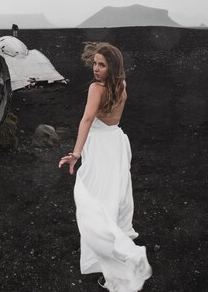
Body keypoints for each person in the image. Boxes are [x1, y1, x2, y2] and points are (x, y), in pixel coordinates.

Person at [59, 42, 152, 291]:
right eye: (95, 64)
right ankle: (115, 251)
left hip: (100, 145)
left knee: (97, 200)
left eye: (102, 64)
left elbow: (87, 119)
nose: (96, 69)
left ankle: (109, 265)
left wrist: (75, 154)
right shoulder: (121, 84)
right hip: (117, 142)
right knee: (114, 196)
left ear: (112, 67)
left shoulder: (96, 88)